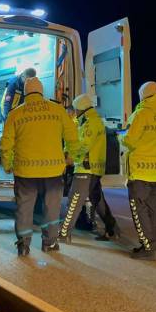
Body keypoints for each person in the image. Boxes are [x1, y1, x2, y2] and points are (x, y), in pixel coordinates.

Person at [1, 77, 80, 256]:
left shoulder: (15, 114)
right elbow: (72, 137)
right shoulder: (57, 110)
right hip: (53, 172)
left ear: (26, 92)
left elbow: (6, 144)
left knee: (24, 209)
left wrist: (7, 164)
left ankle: (23, 245)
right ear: (42, 91)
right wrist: (71, 157)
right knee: (51, 208)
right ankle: (50, 243)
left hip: (25, 172)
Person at [120, 82, 156, 260]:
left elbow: (130, 141)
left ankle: (147, 247)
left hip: (140, 171)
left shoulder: (141, 114)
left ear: (143, 94)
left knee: (139, 210)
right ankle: (153, 245)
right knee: (153, 210)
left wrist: (122, 136)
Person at [59, 94, 119, 243]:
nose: (75, 111)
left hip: (86, 168)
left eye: (76, 108)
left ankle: (64, 233)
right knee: (97, 200)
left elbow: (83, 145)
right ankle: (112, 230)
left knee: (74, 200)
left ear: (81, 108)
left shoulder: (90, 123)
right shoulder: (87, 121)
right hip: (93, 169)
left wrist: (69, 158)